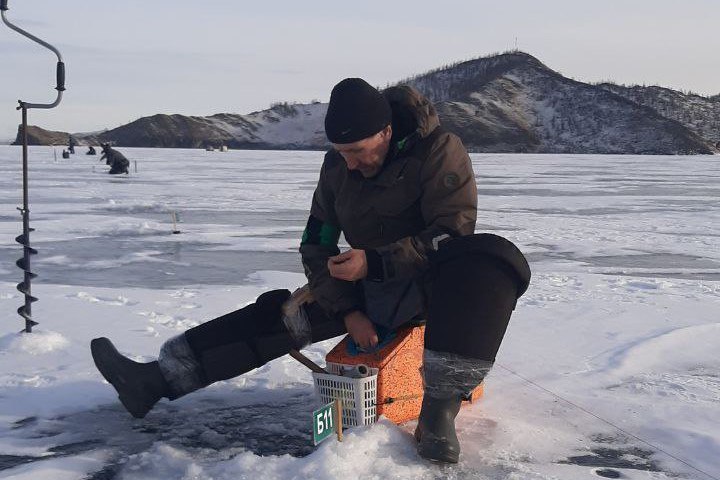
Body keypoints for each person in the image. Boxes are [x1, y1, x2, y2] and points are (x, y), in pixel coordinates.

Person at [91, 78, 530, 464]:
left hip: (433, 289)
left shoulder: (438, 150)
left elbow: (451, 234)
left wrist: (375, 261)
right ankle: (156, 380)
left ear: (387, 132)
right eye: (342, 153)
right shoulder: (337, 167)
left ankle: (438, 413)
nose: (351, 163)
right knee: (280, 314)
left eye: (358, 151)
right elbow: (316, 243)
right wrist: (348, 312)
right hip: (367, 289)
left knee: (490, 259)